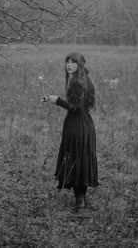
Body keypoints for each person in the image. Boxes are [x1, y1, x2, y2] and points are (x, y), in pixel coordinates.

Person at [48, 52, 98, 210]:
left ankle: (79, 200)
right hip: (87, 126)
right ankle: (81, 197)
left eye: (73, 62)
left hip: (76, 126)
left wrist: (57, 101)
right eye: (67, 61)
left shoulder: (76, 82)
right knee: (82, 158)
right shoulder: (86, 79)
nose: (69, 64)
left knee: (75, 159)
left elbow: (74, 107)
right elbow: (86, 105)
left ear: (80, 64)